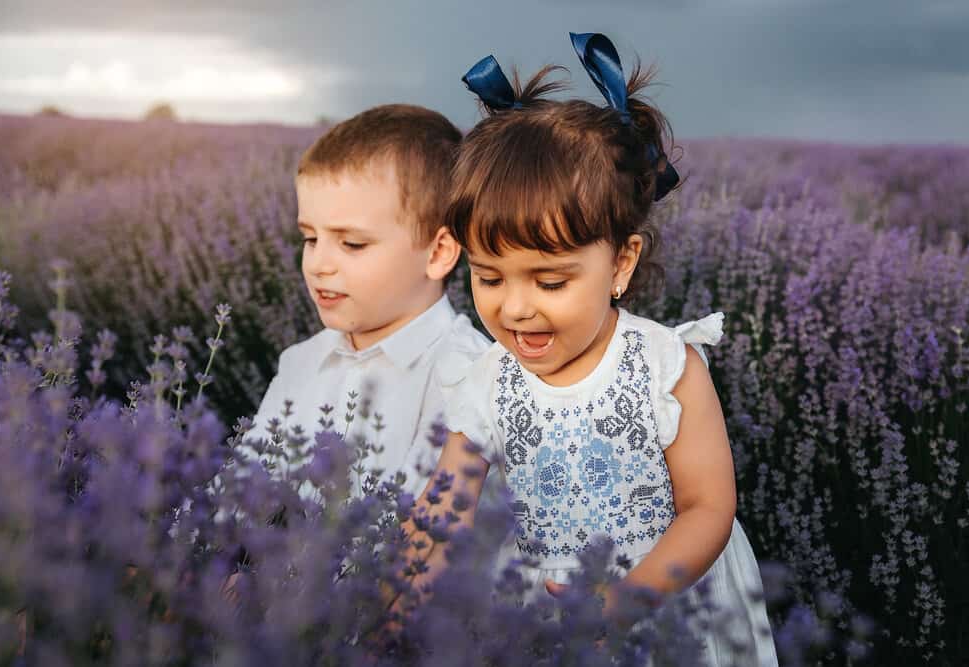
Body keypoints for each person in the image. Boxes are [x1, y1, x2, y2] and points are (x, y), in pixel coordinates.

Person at [398, 34, 778, 665]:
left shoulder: (665, 367)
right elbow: (444, 511)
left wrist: (627, 600)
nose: (515, 307)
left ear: (621, 263)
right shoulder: (488, 381)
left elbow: (708, 506)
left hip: (666, 603)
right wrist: (388, 600)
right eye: (488, 276)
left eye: (550, 281)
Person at [236, 104, 489, 500]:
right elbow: (235, 497)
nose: (319, 264)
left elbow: (418, 540)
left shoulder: (467, 379)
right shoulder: (300, 363)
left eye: (352, 243)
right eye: (310, 238)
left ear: (439, 253)